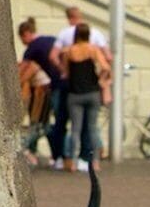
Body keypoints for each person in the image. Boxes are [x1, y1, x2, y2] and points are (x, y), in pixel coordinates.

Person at [55, 19, 111, 172]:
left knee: (75, 129)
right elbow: (106, 66)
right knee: (92, 128)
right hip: (92, 92)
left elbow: (65, 72)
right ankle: (95, 162)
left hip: (75, 94)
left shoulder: (70, 51)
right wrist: (100, 79)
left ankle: (72, 162)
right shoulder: (93, 49)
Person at [15, 18, 56, 168]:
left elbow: (24, 73)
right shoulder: (50, 39)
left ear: (26, 34)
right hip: (56, 85)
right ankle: (53, 154)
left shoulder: (31, 50)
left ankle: (26, 149)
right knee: (44, 124)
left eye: (21, 38)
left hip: (42, 92)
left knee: (40, 125)